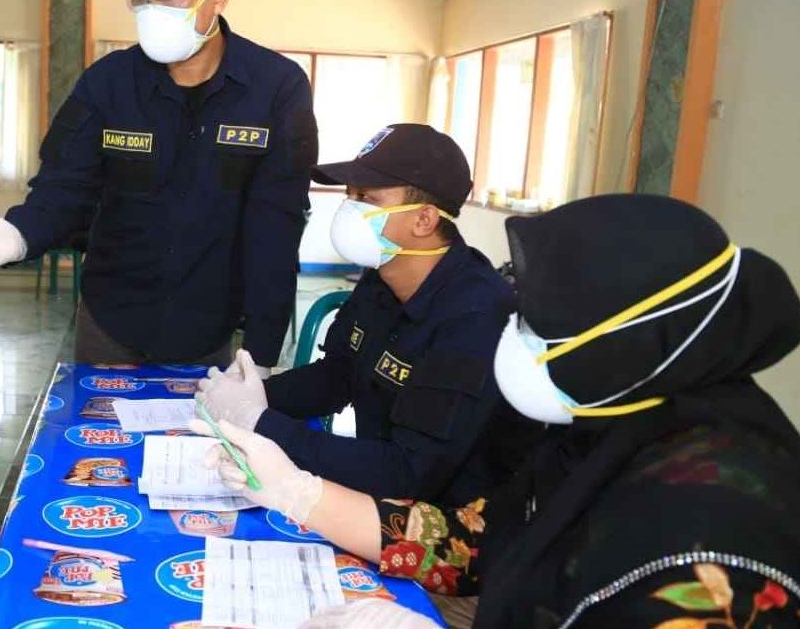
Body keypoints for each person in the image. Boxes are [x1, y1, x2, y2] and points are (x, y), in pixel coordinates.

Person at [194, 194, 800, 629]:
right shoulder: (611, 423)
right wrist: (297, 492)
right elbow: (477, 542)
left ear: (625, 344)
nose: (510, 337)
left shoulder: (713, 529)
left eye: (536, 326)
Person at [0, 0, 317, 370]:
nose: (152, 8)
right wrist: (20, 233)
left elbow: (276, 229)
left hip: (214, 329)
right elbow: (64, 187)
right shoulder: (107, 84)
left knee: (202, 440)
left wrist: (260, 354)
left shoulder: (276, 88)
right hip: (112, 323)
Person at [198, 124, 541, 506]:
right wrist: (249, 396)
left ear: (424, 220)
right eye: (349, 194)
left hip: (448, 521)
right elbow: (338, 376)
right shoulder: (381, 279)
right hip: (379, 488)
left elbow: (409, 473)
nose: (349, 207)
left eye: (366, 198)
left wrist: (261, 423)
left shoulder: (476, 316)